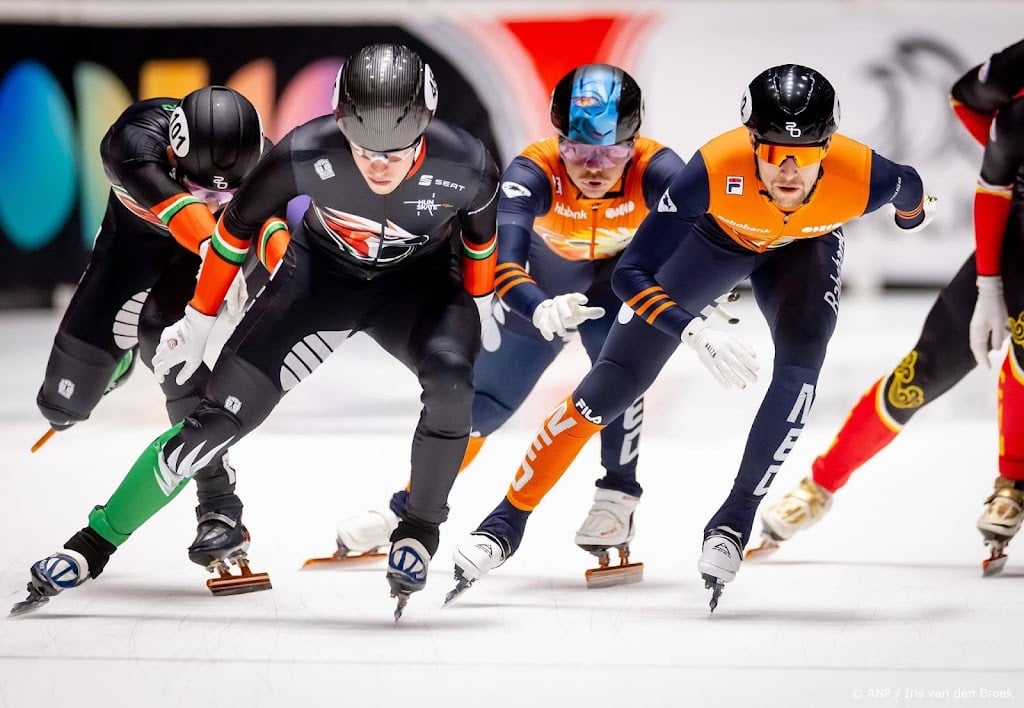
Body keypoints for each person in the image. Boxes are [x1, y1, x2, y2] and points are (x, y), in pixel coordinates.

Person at [12, 43, 500, 621]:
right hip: (321, 284)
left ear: (427, 125)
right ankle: (93, 544)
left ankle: (419, 528)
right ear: (340, 119)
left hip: (421, 292)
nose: (378, 165)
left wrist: (482, 298)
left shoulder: (469, 164)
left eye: (396, 152)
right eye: (364, 149)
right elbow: (231, 237)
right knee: (209, 424)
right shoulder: (300, 151)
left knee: (451, 384)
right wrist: (196, 320)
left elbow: (479, 242)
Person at [446, 63, 936, 611]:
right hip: (717, 242)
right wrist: (692, 327)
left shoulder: (869, 176)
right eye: (773, 152)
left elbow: (911, 187)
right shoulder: (711, 167)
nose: (789, 172)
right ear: (751, 142)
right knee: (613, 381)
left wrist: (914, 215)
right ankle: (505, 521)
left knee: (801, 369)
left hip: (804, 251)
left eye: (808, 152)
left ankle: (734, 518)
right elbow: (633, 274)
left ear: (831, 144)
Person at [330, 63, 698, 584]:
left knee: (617, 371)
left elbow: (702, 232)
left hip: (624, 276)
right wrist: (537, 307)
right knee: (483, 405)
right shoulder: (533, 170)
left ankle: (617, 495)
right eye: (577, 149)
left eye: (613, 151)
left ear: (636, 143)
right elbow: (504, 262)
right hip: (551, 275)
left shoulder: (660, 167)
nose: (594, 167)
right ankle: (407, 506)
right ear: (557, 141)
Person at [754, 39, 1024, 576]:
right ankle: (819, 485)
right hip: (1016, 244)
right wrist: (990, 284)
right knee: (919, 376)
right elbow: (985, 152)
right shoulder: (1016, 114)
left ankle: (1010, 479)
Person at [32, 85, 284, 584]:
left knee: (164, 345)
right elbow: (189, 216)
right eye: (200, 187)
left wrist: (281, 278)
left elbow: (276, 230)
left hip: (204, 260)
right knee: (61, 406)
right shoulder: (131, 144)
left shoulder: (264, 161)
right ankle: (115, 364)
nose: (211, 199)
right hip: (137, 248)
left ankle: (218, 503)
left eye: (224, 193)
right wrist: (224, 254)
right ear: (172, 155)